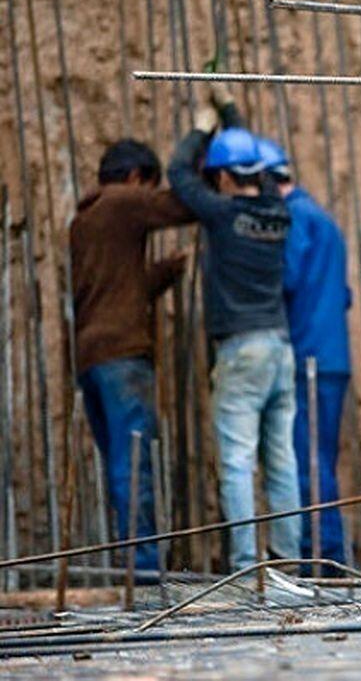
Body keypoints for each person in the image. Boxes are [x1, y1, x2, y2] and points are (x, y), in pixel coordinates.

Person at [167, 84, 301, 571]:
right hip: (279, 348)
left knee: (238, 461)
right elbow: (254, 164)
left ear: (223, 176)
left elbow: (179, 174)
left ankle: (246, 565)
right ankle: (286, 559)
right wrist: (230, 111)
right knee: (281, 459)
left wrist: (204, 125)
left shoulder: (223, 216)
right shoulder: (277, 211)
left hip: (242, 350)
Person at [71, 139, 192, 571]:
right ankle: (141, 568)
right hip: (122, 355)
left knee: (119, 463)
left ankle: (132, 561)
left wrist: (164, 273)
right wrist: (194, 160)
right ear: (137, 178)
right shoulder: (123, 202)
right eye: (148, 185)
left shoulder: (84, 219)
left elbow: (117, 289)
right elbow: (182, 206)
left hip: (90, 357)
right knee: (134, 462)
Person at [257, 137, 352, 567]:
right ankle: (326, 552)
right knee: (321, 457)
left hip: (307, 356)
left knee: (306, 460)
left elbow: (286, 278)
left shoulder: (293, 218)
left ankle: (324, 558)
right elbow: (343, 294)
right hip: (333, 355)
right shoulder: (325, 220)